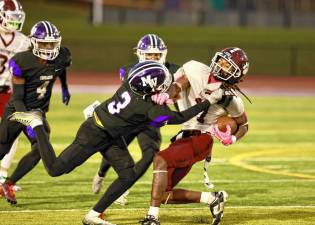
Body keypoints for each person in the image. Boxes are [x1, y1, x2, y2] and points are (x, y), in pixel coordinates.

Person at [9, 61, 223, 225]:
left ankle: (93, 215)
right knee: (55, 169)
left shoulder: (132, 85)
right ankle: (37, 123)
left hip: (107, 132)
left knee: (128, 174)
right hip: (94, 134)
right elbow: (179, 118)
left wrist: (162, 95)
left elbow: (149, 93)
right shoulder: (149, 108)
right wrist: (207, 102)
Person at [140, 47, 250, 225]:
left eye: (227, 65)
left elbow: (244, 125)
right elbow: (178, 85)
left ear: (236, 74)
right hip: (184, 137)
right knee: (162, 193)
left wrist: (233, 138)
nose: (220, 65)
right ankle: (212, 198)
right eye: (221, 60)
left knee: (160, 159)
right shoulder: (196, 69)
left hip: (202, 137)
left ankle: (152, 218)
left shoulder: (231, 99)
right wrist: (166, 95)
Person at [92, 34, 180, 206]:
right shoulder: (129, 69)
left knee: (150, 154)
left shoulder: (174, 70)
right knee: (117, 150)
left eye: (157, 55)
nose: (154, 58)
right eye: (149, 55)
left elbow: (181, 90)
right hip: (130, 118)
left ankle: (124, 188)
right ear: (140, 54)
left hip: (149, 121)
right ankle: (101, 173)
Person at [0, 20, 71, 204]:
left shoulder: (61, 56)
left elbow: (61, 69)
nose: (48, 47)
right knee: (2, 148)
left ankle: (8, 184)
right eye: (44, 43)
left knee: (40, 149)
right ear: (33, 42)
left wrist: (64, 87)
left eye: (52, 43)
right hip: (17, 110)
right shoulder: (22, 61)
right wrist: (28, 119)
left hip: (38, 112)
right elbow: (16, 98)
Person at [0, 0, 30, 189]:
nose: (14, 22)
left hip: (8, 92)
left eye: (16, 18)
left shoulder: (23, 41)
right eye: (11, 17)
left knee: (13, 132)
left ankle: (2, 174)